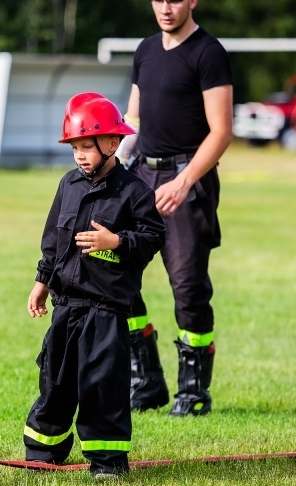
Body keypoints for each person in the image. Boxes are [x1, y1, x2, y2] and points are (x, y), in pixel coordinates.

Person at [23, 93, 165, 479]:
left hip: (106, 309)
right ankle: (42, 452)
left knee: (102, 384)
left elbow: (153, 237)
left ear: (112, 143)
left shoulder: (133, 191)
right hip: (65, 304)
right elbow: (53, 240)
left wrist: (117, 242)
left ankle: (107, 461)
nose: (80, 155)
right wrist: (41, 281)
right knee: (55, 378)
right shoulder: (68, 185)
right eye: (75, 148)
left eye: (87, 146)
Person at [117, 0, 234, 416]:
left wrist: (184, 181)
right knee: (117, 270)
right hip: (140, 178)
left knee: (187, 287)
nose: (166, 7)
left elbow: (221, 132)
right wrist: (110, 163)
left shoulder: (208, 53)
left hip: (188, 180)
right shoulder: (146, 50)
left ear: (193, 1)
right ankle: (145, 382)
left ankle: (193, 393)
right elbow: (132, 120)